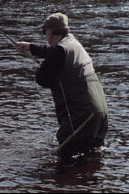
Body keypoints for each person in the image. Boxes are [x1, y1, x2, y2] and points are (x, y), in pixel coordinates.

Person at [16, 12, 108, 159]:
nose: (45, 35)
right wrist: (30, 47)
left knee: (65, 161)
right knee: (91, 160)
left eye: (45, 32)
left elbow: (43, 79)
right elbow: (52, 51)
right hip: (99, 115)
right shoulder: (73, 43)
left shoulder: (58, 50)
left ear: (50, 32)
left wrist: (41, 68)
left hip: (81, 118)